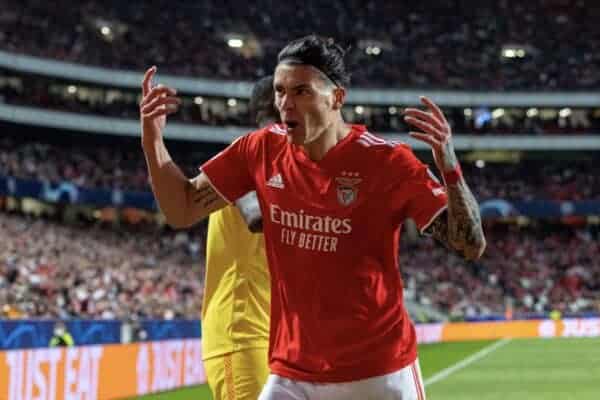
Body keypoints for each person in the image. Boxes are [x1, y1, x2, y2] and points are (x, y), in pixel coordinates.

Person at [140, 35, 485, 400]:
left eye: (301, 92)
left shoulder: (388, 163)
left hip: (377, 371)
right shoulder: (259, 150)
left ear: (336, 98)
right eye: (280, 91)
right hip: (294, 372)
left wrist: (449, 168)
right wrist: (153, 142)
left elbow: (470, 244)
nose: (286, 104)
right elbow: (181, 209)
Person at [202, 76, 278, 400]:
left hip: (276, 338)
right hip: (243, 338)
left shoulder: (283, 162)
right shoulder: (247, 159)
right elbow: (258, 217)